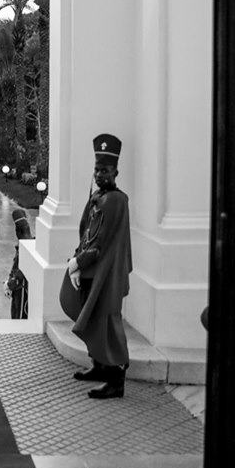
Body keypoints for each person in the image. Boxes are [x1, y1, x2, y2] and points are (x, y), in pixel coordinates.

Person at [59, 133, 132, 400]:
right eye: (97, 170)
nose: (100, 174)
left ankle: (116, 380)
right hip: (92, 269)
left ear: (116, 172)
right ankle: (100, 366)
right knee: (94, 319)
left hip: (105, 274)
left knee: (107, 323)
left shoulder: (114, 200)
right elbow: (88, 234)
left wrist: (77, 262)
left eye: (105, 170)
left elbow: (100, 242)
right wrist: (78, 262)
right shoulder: (100, 197)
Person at [6, 208, 31, 319]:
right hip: (16, 288)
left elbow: (22, 270)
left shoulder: (26, 247)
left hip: (21, 289)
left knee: (19, 317)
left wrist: (10, 283)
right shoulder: (22, 246)